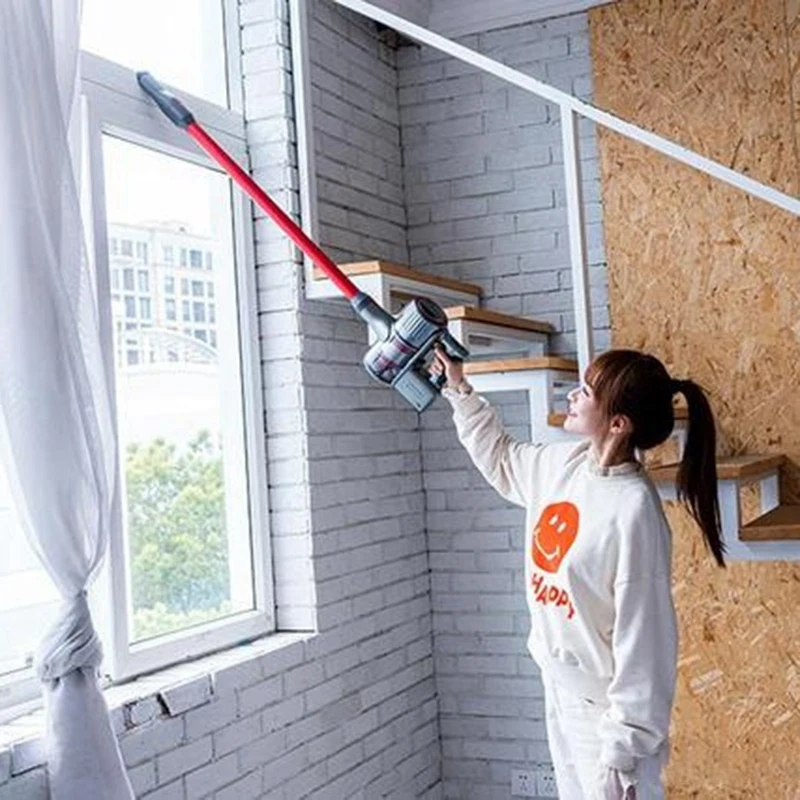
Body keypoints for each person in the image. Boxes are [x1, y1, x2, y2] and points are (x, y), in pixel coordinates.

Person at [431, 346, 724, 800]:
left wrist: (622, 749)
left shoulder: (634, 511)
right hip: (560, 691)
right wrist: (459, 389)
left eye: (585, 392)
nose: (572, 395)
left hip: (606, 720)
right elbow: (502, 459)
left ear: (618, 423)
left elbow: (644, 643)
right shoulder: (563, 464)